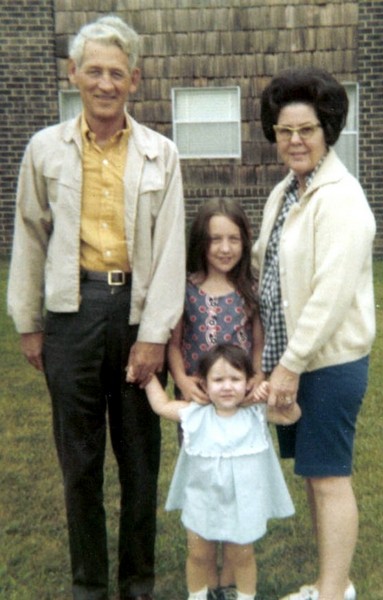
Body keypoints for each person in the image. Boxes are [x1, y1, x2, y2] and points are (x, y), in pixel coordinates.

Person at [7, 15, 185, 600]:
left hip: (134, 314)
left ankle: (137, 583)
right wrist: (29, 323)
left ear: (135, 79)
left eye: (117, 73)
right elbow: (30, 237)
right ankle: (89, 585)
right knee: (79, 464)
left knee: (139, 463)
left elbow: (171, 250)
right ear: (73, 74)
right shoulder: (45, 150)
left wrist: (155, 334)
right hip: (70, 316)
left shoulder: (160, 154)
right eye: (94, 71)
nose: (105, 83)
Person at [253, 67, 376, 600]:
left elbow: (330, 295)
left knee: (329, 479)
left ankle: (332, 593)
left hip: (326, 364)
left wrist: (288, 366)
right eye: (285, 131)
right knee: (313, 475)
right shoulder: (286, 191)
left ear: (327, 130)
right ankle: (331, 583)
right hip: (294, 362)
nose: (295, 140)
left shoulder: (341, 197)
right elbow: (266, 268)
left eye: (306, 129)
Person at [131, 343, 301, 600]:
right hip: (202, 500)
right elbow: (162, 405)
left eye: (235, 379)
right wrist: (147, 377)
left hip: (243, 503)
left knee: (242, 556)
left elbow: (291, 416)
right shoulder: (195, 414)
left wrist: (272, 395)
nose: (227, 386)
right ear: (204, 384)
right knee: (198, 554)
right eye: (218, 380)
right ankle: (197, 596)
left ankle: (245, 597)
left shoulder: (256, 413)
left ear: (248, 383)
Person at [166, 197, 264, 598]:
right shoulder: (186, 289)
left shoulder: (249, 288)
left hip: (239, 408)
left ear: (245, 241)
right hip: (201, 407)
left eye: (233, 239)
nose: (225, 248)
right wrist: (181, 379)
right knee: (205, 485)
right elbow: (174, 344)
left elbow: (257, 343)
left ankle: (230, 576)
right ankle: (204, 567)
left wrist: (257, 377)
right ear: (200, 243)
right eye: (215, 239)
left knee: (237, 487)